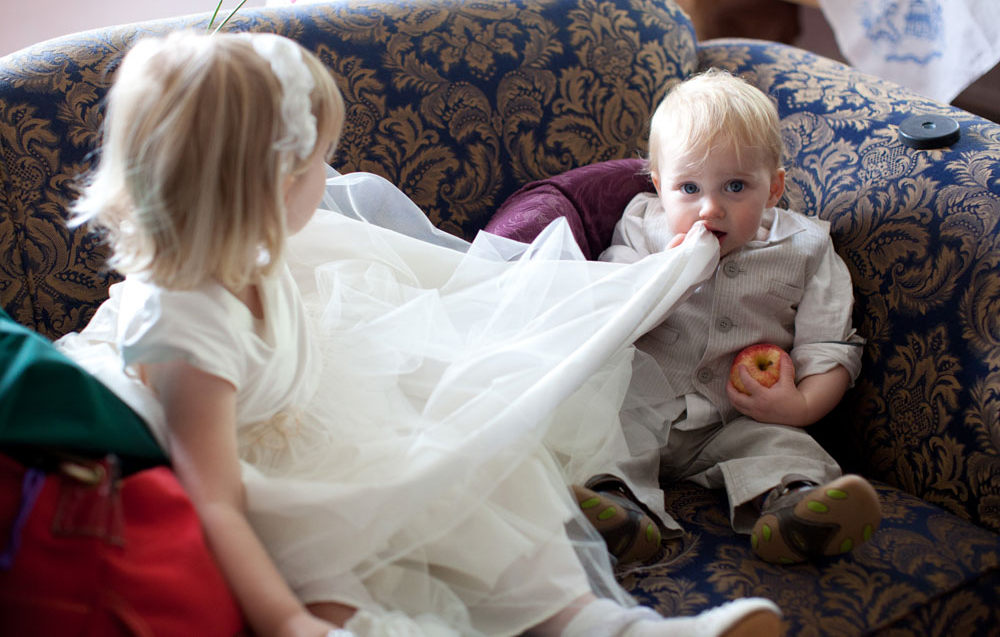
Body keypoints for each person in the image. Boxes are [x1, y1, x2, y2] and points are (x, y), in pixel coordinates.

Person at [54, 33, 783, 636]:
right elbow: (216, 498)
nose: (329, 176)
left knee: (475, 484)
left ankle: (609, 626)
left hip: (318, 426)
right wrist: (282, 619)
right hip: (268, 481)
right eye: (316, 165)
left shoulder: (259, 255)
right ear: (268, 182)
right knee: (352, 576)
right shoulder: (186, 319)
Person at [597, 68, 881, 565]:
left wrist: (800, 408)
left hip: (738, 419)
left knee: (789, 448)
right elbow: (610, 307)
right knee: (600, 434)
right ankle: (620, 512)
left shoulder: (809, 247)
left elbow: (830, 348)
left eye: (734, 186)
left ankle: (792, 511)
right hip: (642, 405)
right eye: (688, 188)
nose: (710, 209)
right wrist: (671, 270)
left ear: (772, 189)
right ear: (660, 188)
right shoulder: (643, 227)